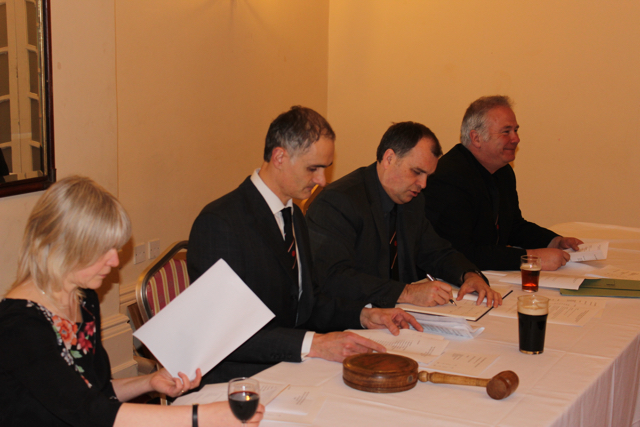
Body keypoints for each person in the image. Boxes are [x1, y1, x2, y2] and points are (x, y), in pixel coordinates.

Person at [0, 176, 264, 427]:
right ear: (63, 246)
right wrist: (200, 417)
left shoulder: (82, 299)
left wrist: (150, 382)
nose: (115, 261)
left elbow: (97, 391)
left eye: (115, 248)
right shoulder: (19, 325)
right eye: (102, 250)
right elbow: (89, 412)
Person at [188, 106, 422, 385]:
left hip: (290, 366)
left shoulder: (293, 215)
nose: (322, 181)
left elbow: (305, 304)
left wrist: (364, 314)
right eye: (313, 168)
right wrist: (315, 344)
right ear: (279, 157)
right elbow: (224, 333)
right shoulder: (221, 222)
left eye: (325, 169)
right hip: (238, 380)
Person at [306, 122, 502, 310]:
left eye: (428, 176)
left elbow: (436, 252)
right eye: (417, 172)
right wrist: (407, 292)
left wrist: (469, 275)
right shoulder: (338, 202)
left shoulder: (412, 201)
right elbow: (333, 278)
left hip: (400, 316)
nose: (423, 184)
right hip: (352, 319)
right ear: (389, 159)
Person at [422, 96, 583, 271]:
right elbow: (460, 252)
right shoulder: (449, 178)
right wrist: (530, 258)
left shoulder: (502, 171)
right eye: (506, 132)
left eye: (516, 130)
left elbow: (513, 226)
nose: (516, 138)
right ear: (476, 138)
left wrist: (554, 241)